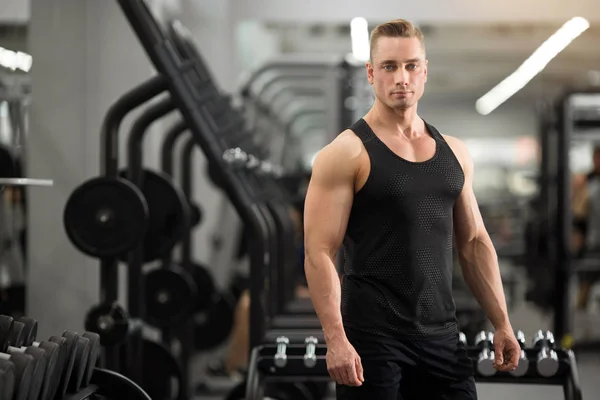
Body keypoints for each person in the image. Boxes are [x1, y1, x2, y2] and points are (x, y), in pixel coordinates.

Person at [303, 19, 519, 399]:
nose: (401, 77)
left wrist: (502, 322)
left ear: (424, 71)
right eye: (389, 66)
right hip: (373, 341)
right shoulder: (347, 153)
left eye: (410, 65)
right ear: (371, 73)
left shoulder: (454, 152)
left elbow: (474, 243)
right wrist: (336, 339)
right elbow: (320, 252)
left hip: (443, 337)